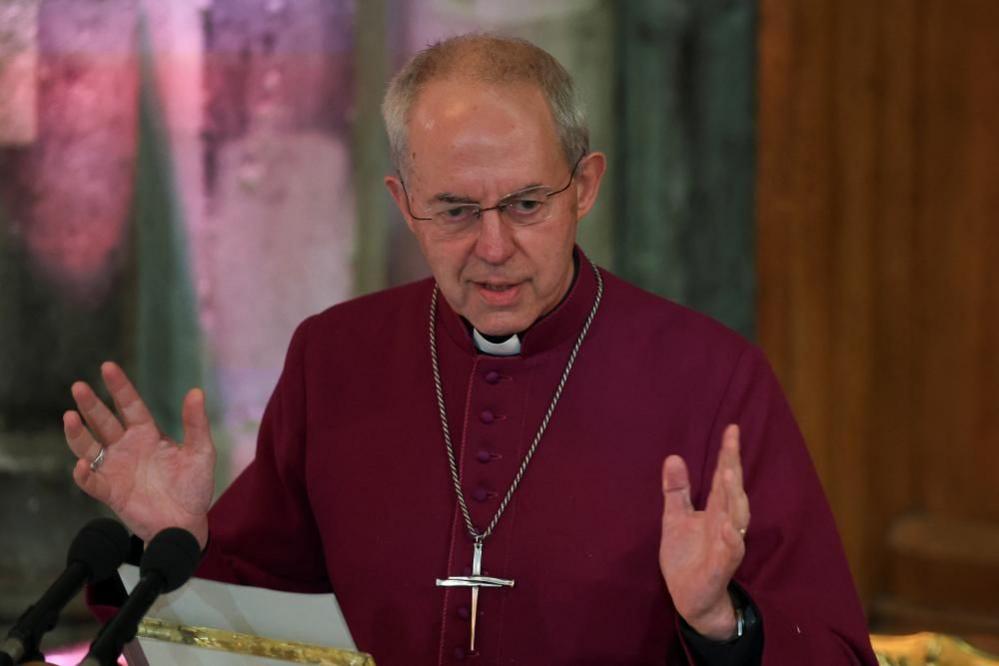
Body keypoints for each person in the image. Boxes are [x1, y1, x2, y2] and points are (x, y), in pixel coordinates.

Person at [64, 35, 877, 665]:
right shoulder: (334, 358)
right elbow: (254, 628)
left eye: (525, 203)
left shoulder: (711, 378)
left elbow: (834, 650)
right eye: (454, 210)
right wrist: (174, 544)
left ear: (584, 187)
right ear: (403, 203)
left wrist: (719, 623)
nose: (492, 246)